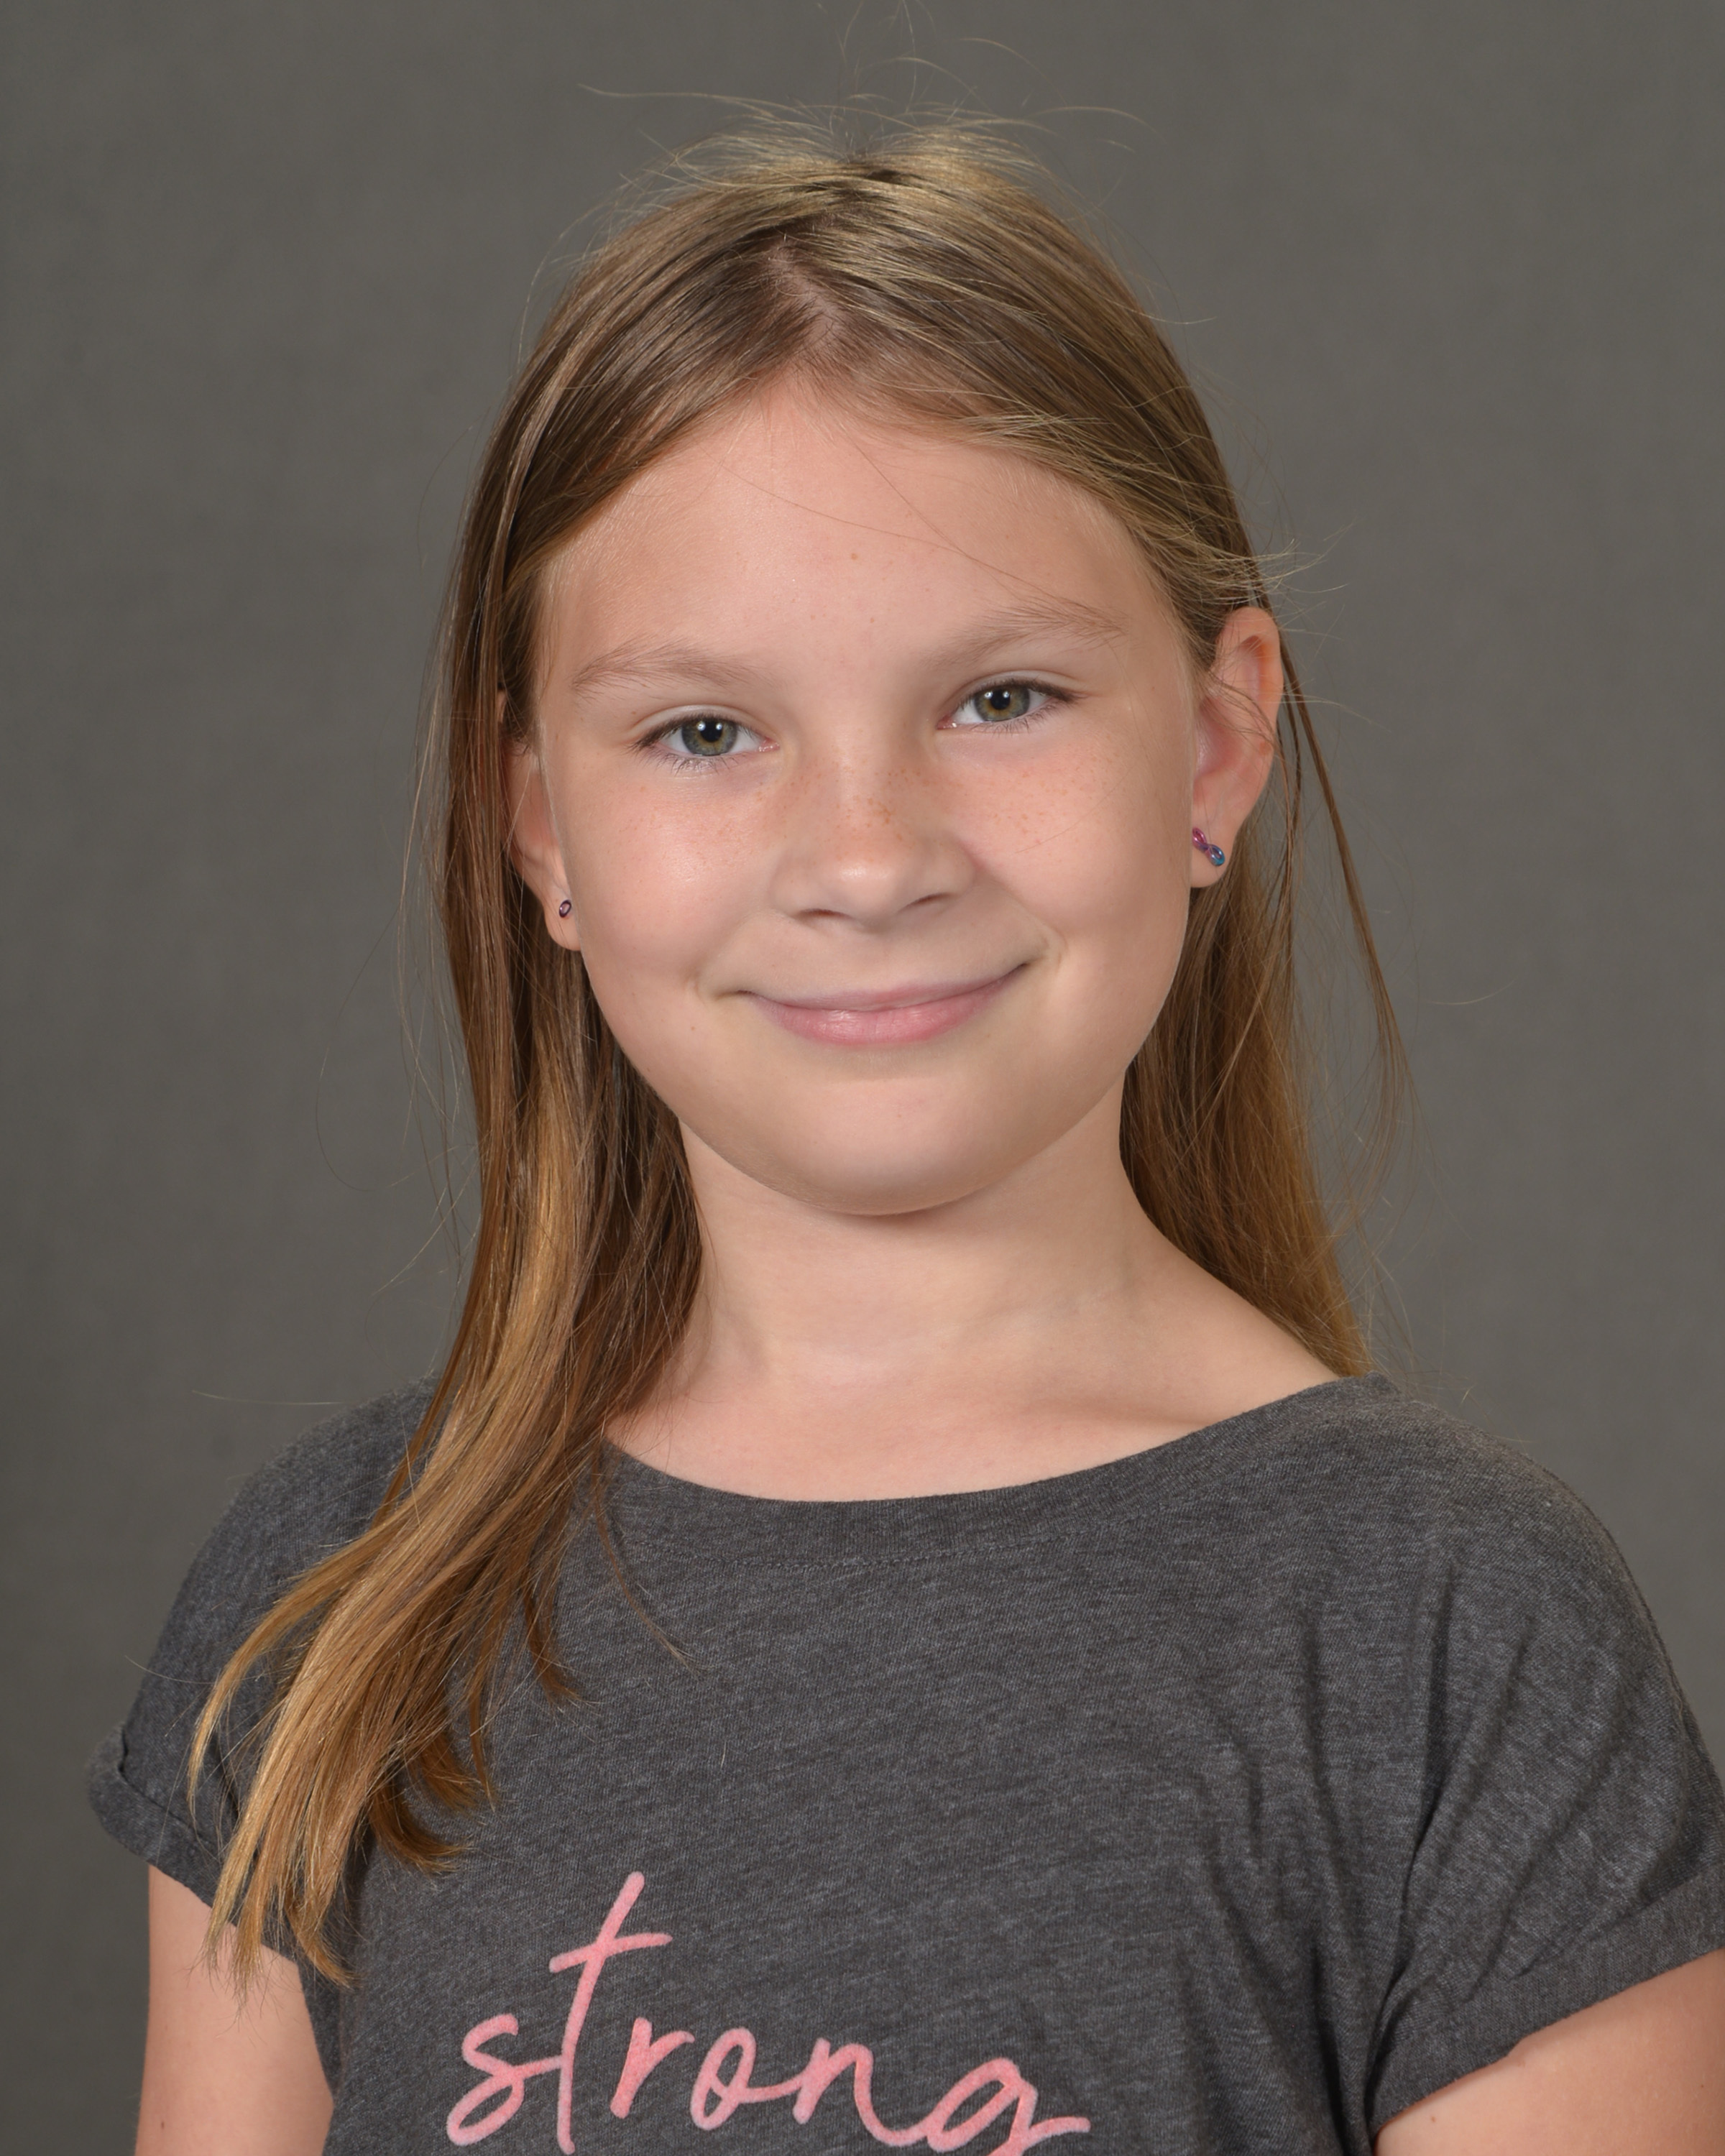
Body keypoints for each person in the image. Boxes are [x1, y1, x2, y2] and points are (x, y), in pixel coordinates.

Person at [90, 129, 1725, 2156]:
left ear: (1217, 746)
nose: (866, 860)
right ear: (540, 826)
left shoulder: (1453, 1640)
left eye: (1003, 697)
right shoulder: (329, 1613)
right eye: (705, 732)